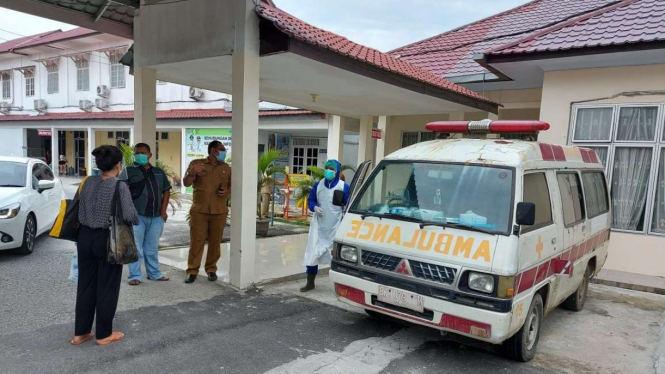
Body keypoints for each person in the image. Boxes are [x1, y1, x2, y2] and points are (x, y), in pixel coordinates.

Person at [71, 145, 139, 346]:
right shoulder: (119, 186)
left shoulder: (87, 182)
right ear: (119, 165)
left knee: (86, 286)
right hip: (107, 239)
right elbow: (129, 215)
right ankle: (103, 334)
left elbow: (77, 206)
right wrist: (135, 218)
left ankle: (80, 333)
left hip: (84, 237)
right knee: (107, 286)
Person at [182, 140, 231, 284]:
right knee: (196, 242)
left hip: (219, 211)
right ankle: (192, 271)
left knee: (215, 243)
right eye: (222, 149)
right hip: (199, 211)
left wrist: (227, 191)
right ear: (214, 150)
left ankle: (211, 269)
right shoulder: (197, 164)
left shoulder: (226, 168)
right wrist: (191, 173)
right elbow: (186, 183)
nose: (224, 152)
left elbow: (232, 185)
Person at [124, 143, 171, 285]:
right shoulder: (128, 171)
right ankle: (134, 276)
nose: (139, 155)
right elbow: (121, 192)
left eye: (143, 152)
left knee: (152, 247)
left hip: (156, 217)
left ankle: (154, 274)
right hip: (137, 216)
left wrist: (163, 211)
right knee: (136, 248)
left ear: (150, 155)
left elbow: (166, 190)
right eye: (137, 152)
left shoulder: (158, 172)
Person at [301, 159, 349, 292]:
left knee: (337, 256)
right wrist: (314, 207)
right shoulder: (318, 185)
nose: (329, 171)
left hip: (335, 226)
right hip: (319, 225)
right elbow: (311, 200)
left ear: (337, 171)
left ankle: (340, 285)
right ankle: (310, 282)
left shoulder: (343, 186)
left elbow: (348, 204)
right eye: (327, 168)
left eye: (332, 169)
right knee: (313, 253)